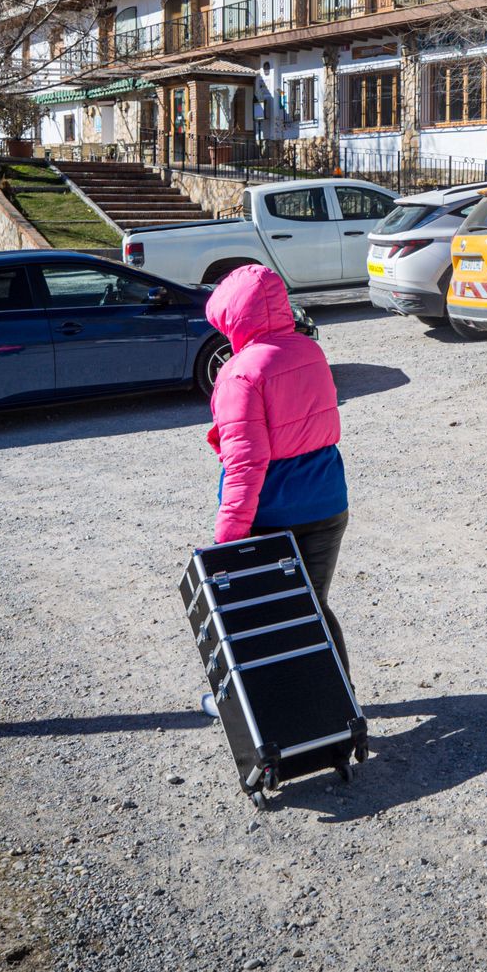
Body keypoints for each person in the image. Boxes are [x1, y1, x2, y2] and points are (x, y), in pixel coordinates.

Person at [200, 264, 349, 716]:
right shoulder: (309, 350)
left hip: (273, 514)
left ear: (232, 317)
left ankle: (267, 710)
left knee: (260, 615)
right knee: (314, 607)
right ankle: (341, 702)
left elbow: (246, 463)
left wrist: (227, 538)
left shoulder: (240, 373)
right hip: (328, 502)